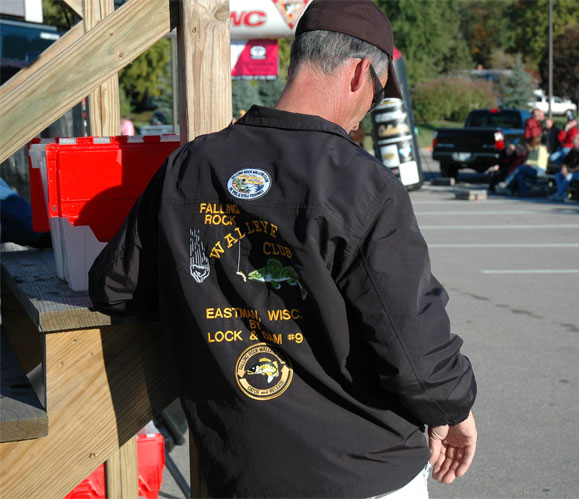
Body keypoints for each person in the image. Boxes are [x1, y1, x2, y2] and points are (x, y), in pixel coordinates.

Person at [88, 1, 477, 497]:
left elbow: (115, 288)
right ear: (360, 73)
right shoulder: (362, 184)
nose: (368, 110)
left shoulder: (189, 167)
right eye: (378, 95)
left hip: (240, 474)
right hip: (361, 471)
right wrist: (454, 409)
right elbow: (412, 342)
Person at [548, 133, 579, 201]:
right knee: (558, 176)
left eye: (575, 138)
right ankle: (563, 194)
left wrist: (569, 171)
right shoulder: (573, 150)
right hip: (572, 171)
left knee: (568, 176)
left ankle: (558, 194)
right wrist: (564, 167)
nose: (573, 139)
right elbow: (566, 160)